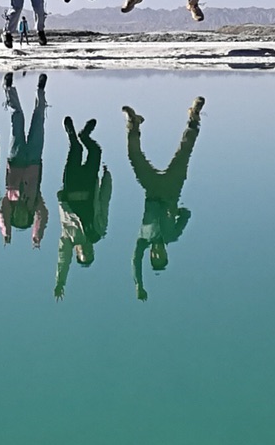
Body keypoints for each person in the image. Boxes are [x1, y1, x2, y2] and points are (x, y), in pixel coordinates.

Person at [125, 97, 203, 301]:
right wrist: (176, 212)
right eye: (162, 257)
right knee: (185, 152)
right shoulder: (173, 234)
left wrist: (139, 285)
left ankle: (134, 125)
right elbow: (187, 214)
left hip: (151, 189)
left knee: (134, 157)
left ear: (151, 255)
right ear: (167, 254)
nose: (158, 255)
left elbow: (135, 260)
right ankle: (194, 118)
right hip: (171, 191)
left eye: (155, 258)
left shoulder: (143, 241)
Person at [54, 113, 111, 298]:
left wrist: (60, 282)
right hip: (88, 184)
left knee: (76, 150)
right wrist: (106, 180)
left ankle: (73, 136)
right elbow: (104, 202)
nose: (85, 249)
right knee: (96, 152)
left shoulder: (69, 239)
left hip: (71, 187)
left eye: (82, 253)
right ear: (93, 249)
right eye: (89, 252)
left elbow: (63, 260)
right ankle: (85, 135)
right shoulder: (98, 231)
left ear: (77, 252)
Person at [0, 73, 49, 244]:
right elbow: (43, 214)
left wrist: (6, 232)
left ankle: (8, 88)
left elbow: (2, 214)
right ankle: (40, 90)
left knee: (17, 118)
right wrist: (36, 235)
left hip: (16, 158)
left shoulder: (9, 203)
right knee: (38, 120)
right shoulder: (34, 202)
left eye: (17, 219)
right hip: (34, 159)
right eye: (24, 219)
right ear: (28, 216)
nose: (20, 216)